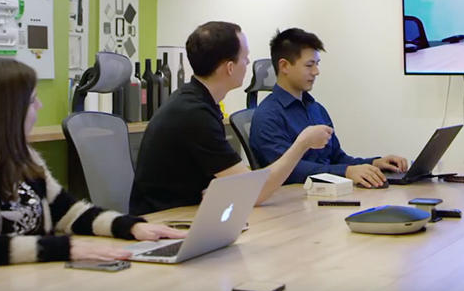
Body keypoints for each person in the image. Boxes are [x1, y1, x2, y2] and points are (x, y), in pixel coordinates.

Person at [0, 56, 185, 267]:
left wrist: (129, 226)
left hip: (31, 280)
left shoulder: (23, 156)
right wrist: (61, 248)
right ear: (6, 111)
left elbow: (68, 212)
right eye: (32, 101)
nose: (40, 105)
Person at [130, 22, 333, 215]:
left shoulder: (197, 103)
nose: (248, 64)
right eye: (245, 58)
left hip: (191, 213)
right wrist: (303, 143)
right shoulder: (194, 114)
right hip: (165, 221)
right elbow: (253, 190)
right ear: (229, 67)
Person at [250, 28, 408, 188]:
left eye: (317, 64)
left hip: (325, 195)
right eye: (309, 65)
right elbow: (289, 171)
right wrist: (346, 172)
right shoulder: (267, 116)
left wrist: (375, 163)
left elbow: (337, 158)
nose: (316, 72)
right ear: (284, 66)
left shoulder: (316, 109)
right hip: (294, 200)